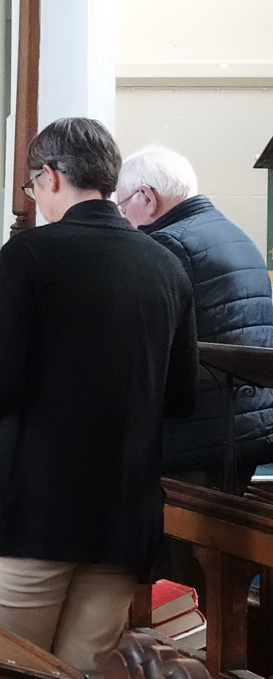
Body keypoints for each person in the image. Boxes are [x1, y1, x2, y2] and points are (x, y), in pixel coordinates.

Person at [0, 119, 197, 679]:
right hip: (122, 510)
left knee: (16, 677)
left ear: (50, 177)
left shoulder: (34, 254)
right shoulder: (165, 263)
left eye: (35, 186)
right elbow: (180, 396)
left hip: (36, 506)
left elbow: (2, 384)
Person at [116, 145, 273, 488]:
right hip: (248, 421)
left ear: (146, 197)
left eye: (122, 205)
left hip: (198, 430)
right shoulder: (231, 232)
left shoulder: (169, 245)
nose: (123, 217)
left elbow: (152, 345)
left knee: (176, 536)